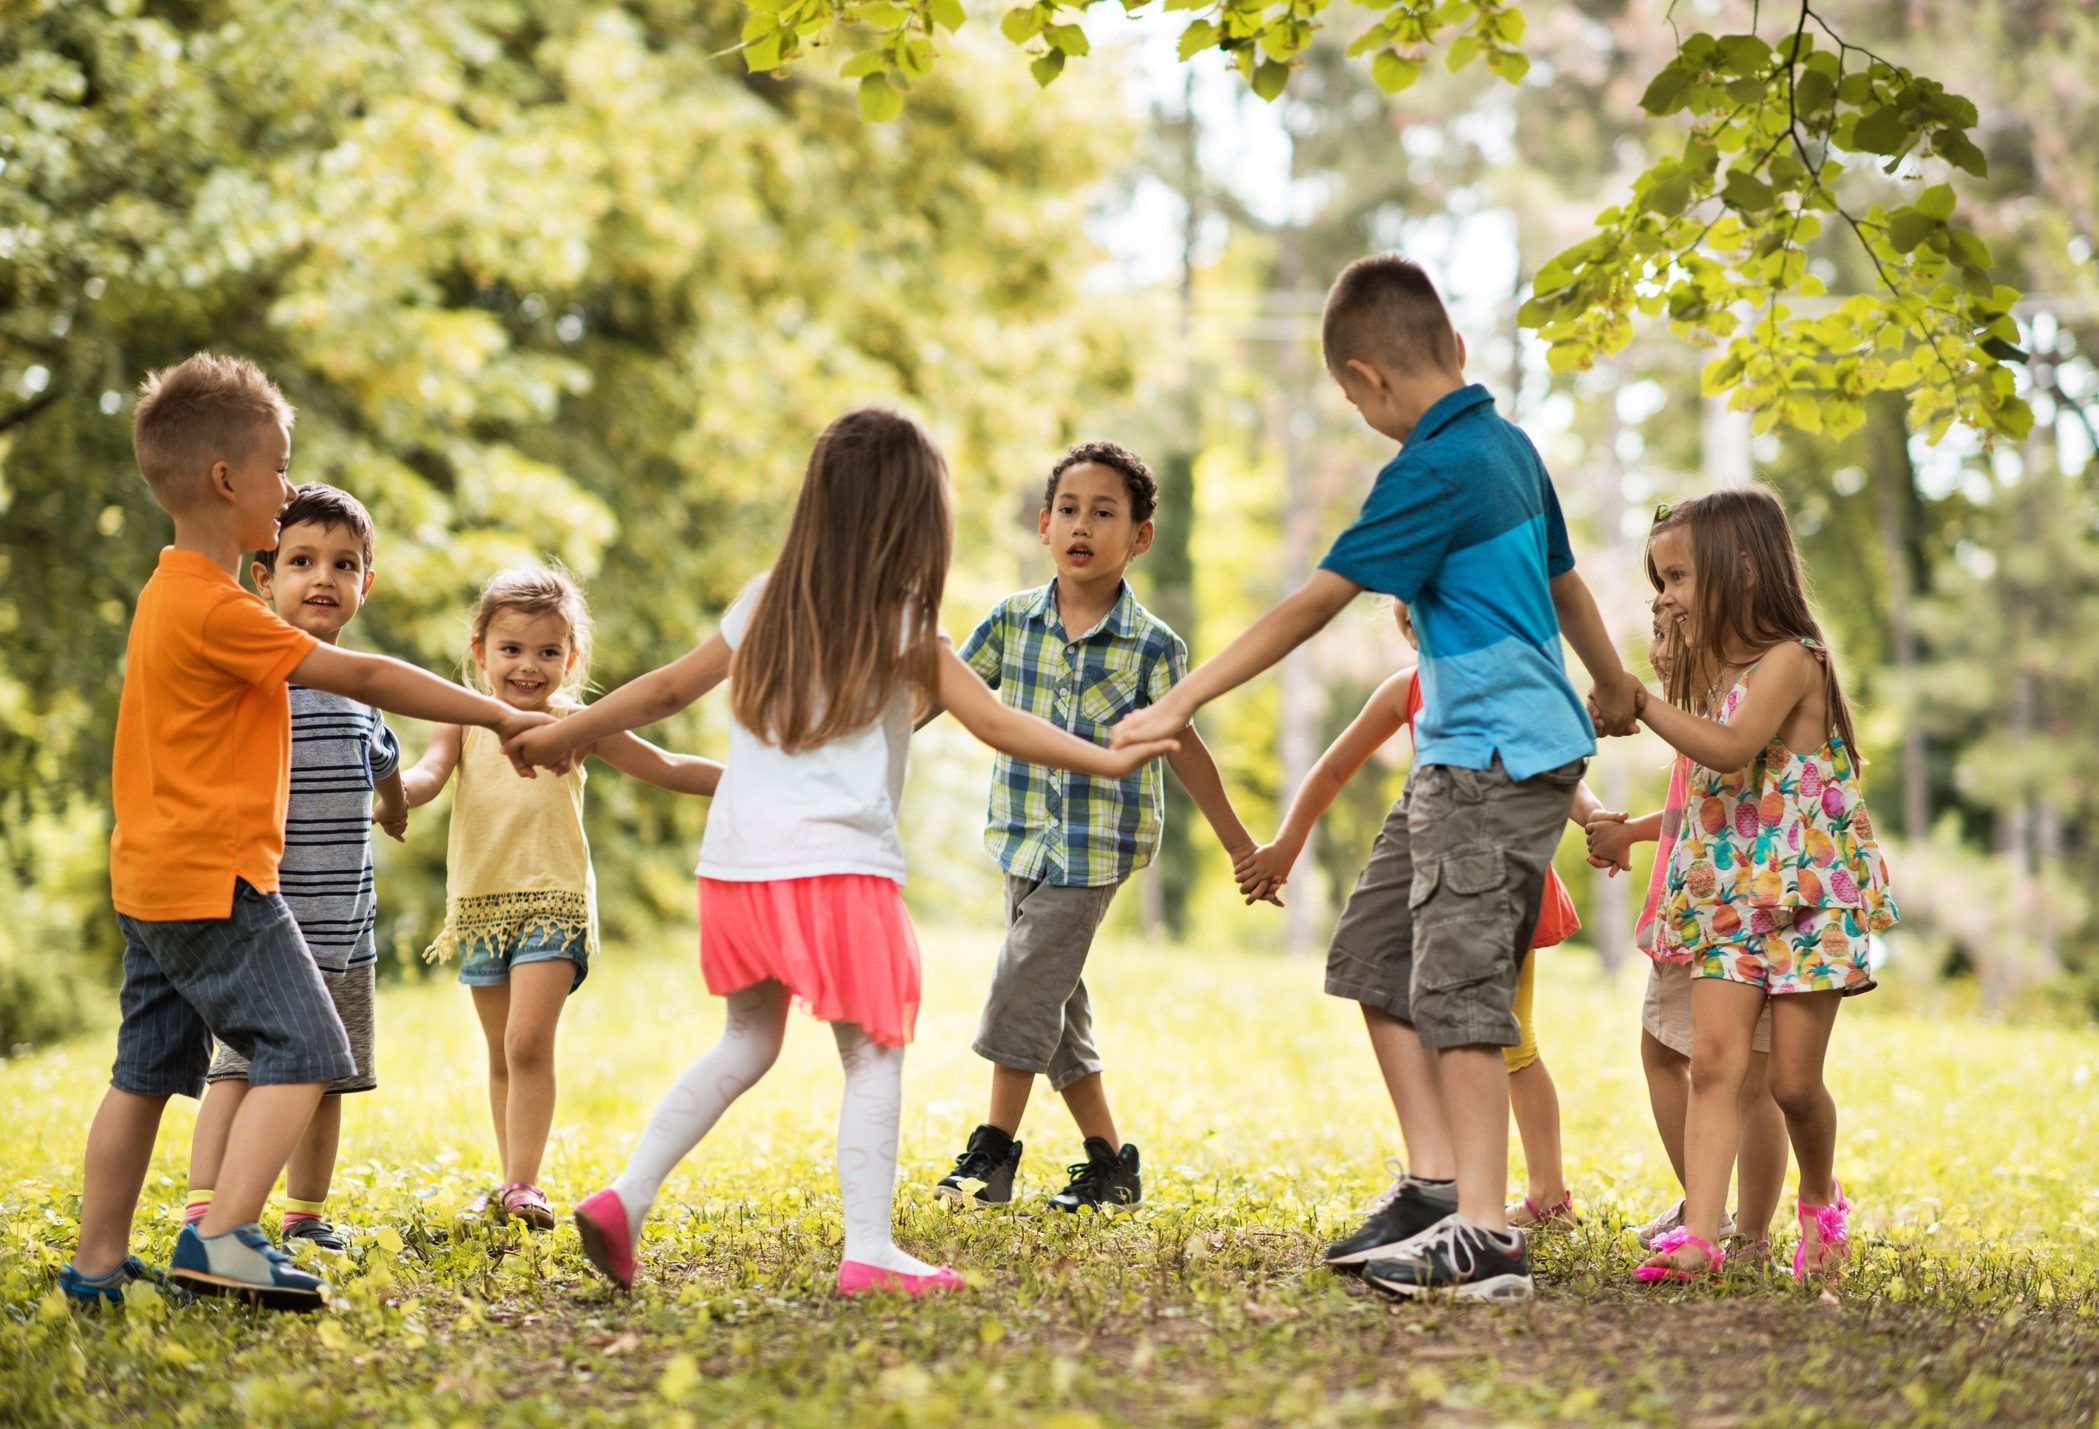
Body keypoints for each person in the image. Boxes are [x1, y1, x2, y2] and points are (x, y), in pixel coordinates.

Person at [507, 407, 1181, 1296]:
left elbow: (667, 687)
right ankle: (868, 1248)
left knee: (745, 1040)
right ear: (914, 516)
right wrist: (1107, 752)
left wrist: (570, 729)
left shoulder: (763, 599)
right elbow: (997, 722)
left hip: (738, 867)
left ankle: (626, 1198)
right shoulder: (905, 622)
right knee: (873, 1055)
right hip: (840, 871)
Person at [1113, 254, 1642, 1301]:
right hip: (1459, 754)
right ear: (1451, 347)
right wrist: (1613, 678)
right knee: (1373, 951)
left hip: (1494, 757)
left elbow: (1310, 604)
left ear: (1366, 380)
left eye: (1350, 400)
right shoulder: (1506, 445)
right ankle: (1438, 1188)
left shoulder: (1432, 468)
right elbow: (1564, 583)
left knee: (1455, 985)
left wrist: (1179, 701)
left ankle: (1486, 1236)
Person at [63, 353, 545, 1312]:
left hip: (150, 881)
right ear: (225, 481)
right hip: (218, 882)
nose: (287, 490)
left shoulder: (171, 596)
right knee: (311, 1047)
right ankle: (224, 1235)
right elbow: (362, 677)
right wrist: (495, 716)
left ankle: (98, 1262)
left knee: (143, 1074)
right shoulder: (218, 611)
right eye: (279, 469)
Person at [935, 440, 1268, 1215]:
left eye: (1105, 512)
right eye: (1070, 510)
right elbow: (948, 696)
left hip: (1096, 848)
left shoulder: (1154, 645)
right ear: (1044, 525)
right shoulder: (1010, 620)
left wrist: (1238, 842)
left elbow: (1184, 745)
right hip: (1020, 835)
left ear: (1139, 536)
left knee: (1022, 983)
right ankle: (1108, 1162)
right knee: (1055, 1003)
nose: (1083, 525)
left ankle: (991, 1150)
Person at [1234, 599, 1604, 1246]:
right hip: (1431, 874)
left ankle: (1543, 1191)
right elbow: (1331, 768)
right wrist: (1286, 845)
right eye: (1414, 617)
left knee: (1510, 1041)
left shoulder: (1501, 690)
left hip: (1502, 877)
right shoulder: (1404, 689)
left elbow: (1555, 775)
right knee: (1436, 1028)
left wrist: (1598, 820)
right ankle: (1447, 1180)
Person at [1624, 487, 1897, 1283]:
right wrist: (1661, 673)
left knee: (1789, 1083)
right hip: (1727, 898)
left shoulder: (1791, 659)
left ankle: (1819, 1197)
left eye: (1676, 576)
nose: (1665, 594)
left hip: (1808, 903)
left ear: (1740, 567)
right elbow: (1696, 750)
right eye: (1658, 580)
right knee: (1713, 1063)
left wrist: (1641, 701)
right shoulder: (1715, 670)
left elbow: (1732, 748)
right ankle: (1702, 1237)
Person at [398, 567, 723, 1230]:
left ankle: (524, 1183)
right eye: (511, 648)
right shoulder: (459, 719)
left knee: (526, 1040)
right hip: (480, 906)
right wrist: (388, 790)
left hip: (555, 900)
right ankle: (510, 1178)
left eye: (547, 651)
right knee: (500, 1051)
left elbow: (664, 766)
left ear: (570, 659)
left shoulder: (578, 722)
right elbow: (427, 778)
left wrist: (755, 780)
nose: (528, 665)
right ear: (479, 650)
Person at [183, 485, 410, 1255]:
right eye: (302, 560)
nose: (322, 576)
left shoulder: (362, 688)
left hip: (345, 929)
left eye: (343, 564)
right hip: (263, 930)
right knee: (238, 1070)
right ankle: (204, 1205)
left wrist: (396, 805)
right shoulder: (257, 677)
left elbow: (384, 765)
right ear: (263, 578)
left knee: (329, 1076)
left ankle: (305, 1212)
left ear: (363, 585)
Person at [1585, 602, 1789, 1268]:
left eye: (1669, 611)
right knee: (1732, 1074)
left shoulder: (1748, 687)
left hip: (1729, 911)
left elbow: (1729, 777)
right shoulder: (1717, 696)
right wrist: (1630, 833)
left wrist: (1639, 698)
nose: (1656, 637)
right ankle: (1731, 1225)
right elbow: (1691, 801)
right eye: (1650, 621)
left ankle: (1729, 1221)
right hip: (1709, 906)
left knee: (1699, 1064)